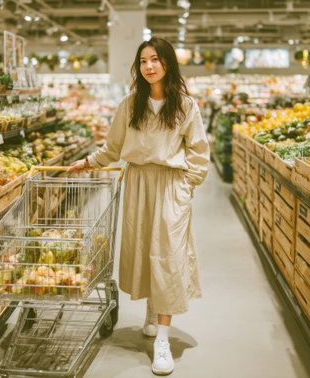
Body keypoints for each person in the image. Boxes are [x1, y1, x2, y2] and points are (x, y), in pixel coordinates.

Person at [68, 37, 209, 375]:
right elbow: (113, 147)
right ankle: (151, 309)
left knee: (169, 255)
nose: (149, 66)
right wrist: (88, 162)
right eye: (143, 60)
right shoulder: (130, 104)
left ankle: (163, 337)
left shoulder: (187, 106)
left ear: (168, 64)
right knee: (144, 249)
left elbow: (199, 153)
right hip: (138, 183)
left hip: (171, 185)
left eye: (155, 59)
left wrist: (186, 187)